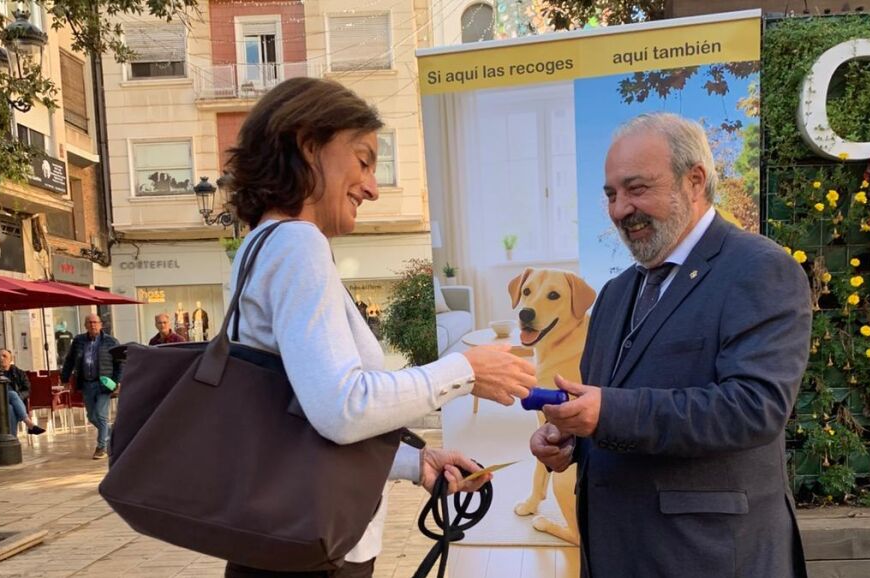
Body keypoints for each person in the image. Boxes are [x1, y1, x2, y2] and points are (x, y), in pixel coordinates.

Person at [223, 77, 537, 577]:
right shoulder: (298, 244)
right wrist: (465, 371)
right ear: (308, 146)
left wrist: (414, 463)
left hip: (284, 542)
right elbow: (343, 408)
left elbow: (296, 419)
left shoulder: (262, 244)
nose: (371, 187)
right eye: (364, 160)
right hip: (315, 553)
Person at [530, 113, 812, 578]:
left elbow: (755, 407)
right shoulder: (616, 293)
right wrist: (572, 442)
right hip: (614, 555)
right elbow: (611, 410)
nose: (621, 210)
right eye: (611, 195)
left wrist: (607, 413)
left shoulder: (760, 269)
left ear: (694, 180)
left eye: (637, 189)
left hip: (709, 559)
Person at [60, 314, 121, 459]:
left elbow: (120, 362)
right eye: (89, 322)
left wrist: (118, 381)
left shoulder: (111, 341)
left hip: (104, 383)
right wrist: (65, 378)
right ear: (85, 325)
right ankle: (110, 432)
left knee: (100, 414)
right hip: (86, 383)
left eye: (95, 322)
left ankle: (101, 447)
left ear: (101, 324)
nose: (93, 325)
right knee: (92, 416)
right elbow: (69, 360)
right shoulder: (78, 340)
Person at [0, 349, 45, 436]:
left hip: (12, 403)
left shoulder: (19, 373)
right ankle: (28, 423)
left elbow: (27, 390)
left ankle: (13, 438)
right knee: (12, 394)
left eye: (4, 356)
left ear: (11, 360)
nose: (1, 358)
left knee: (11, 408)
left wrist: (17, 398)